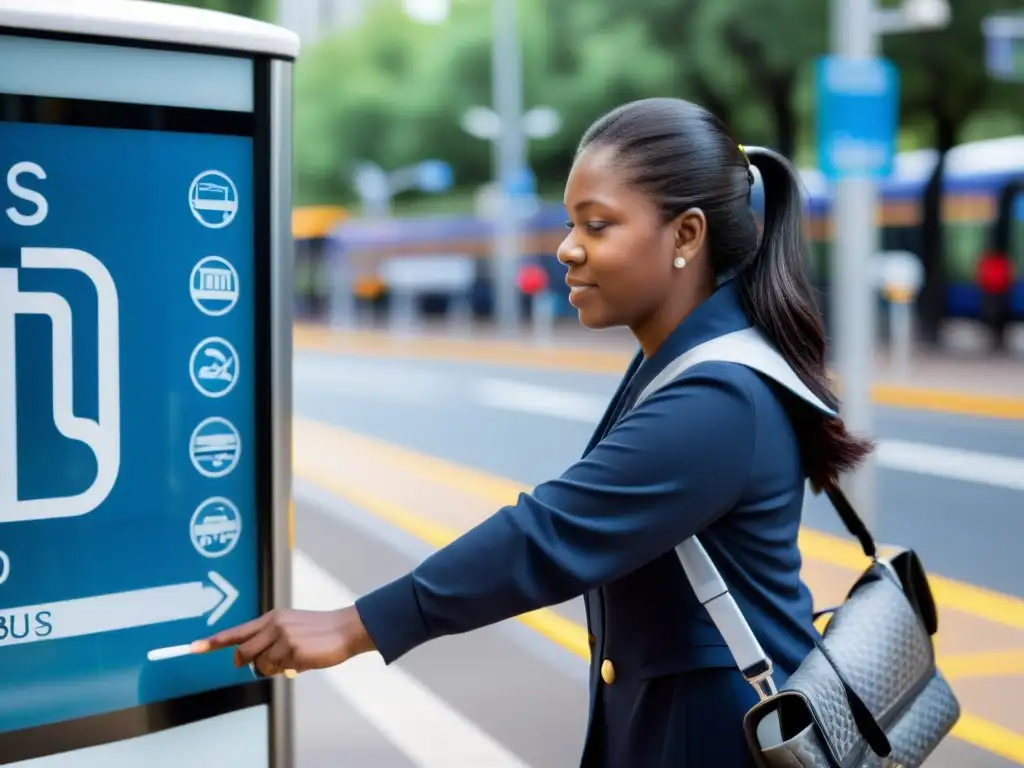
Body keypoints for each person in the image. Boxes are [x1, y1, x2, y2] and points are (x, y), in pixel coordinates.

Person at [192, 97, 872, 767]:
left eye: (597, 225)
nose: (566, 249)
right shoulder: (689, 359)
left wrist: (353, 626)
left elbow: (551, 533)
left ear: (686, 236)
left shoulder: (719, 397)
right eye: (572, 222)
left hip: (716, 735)